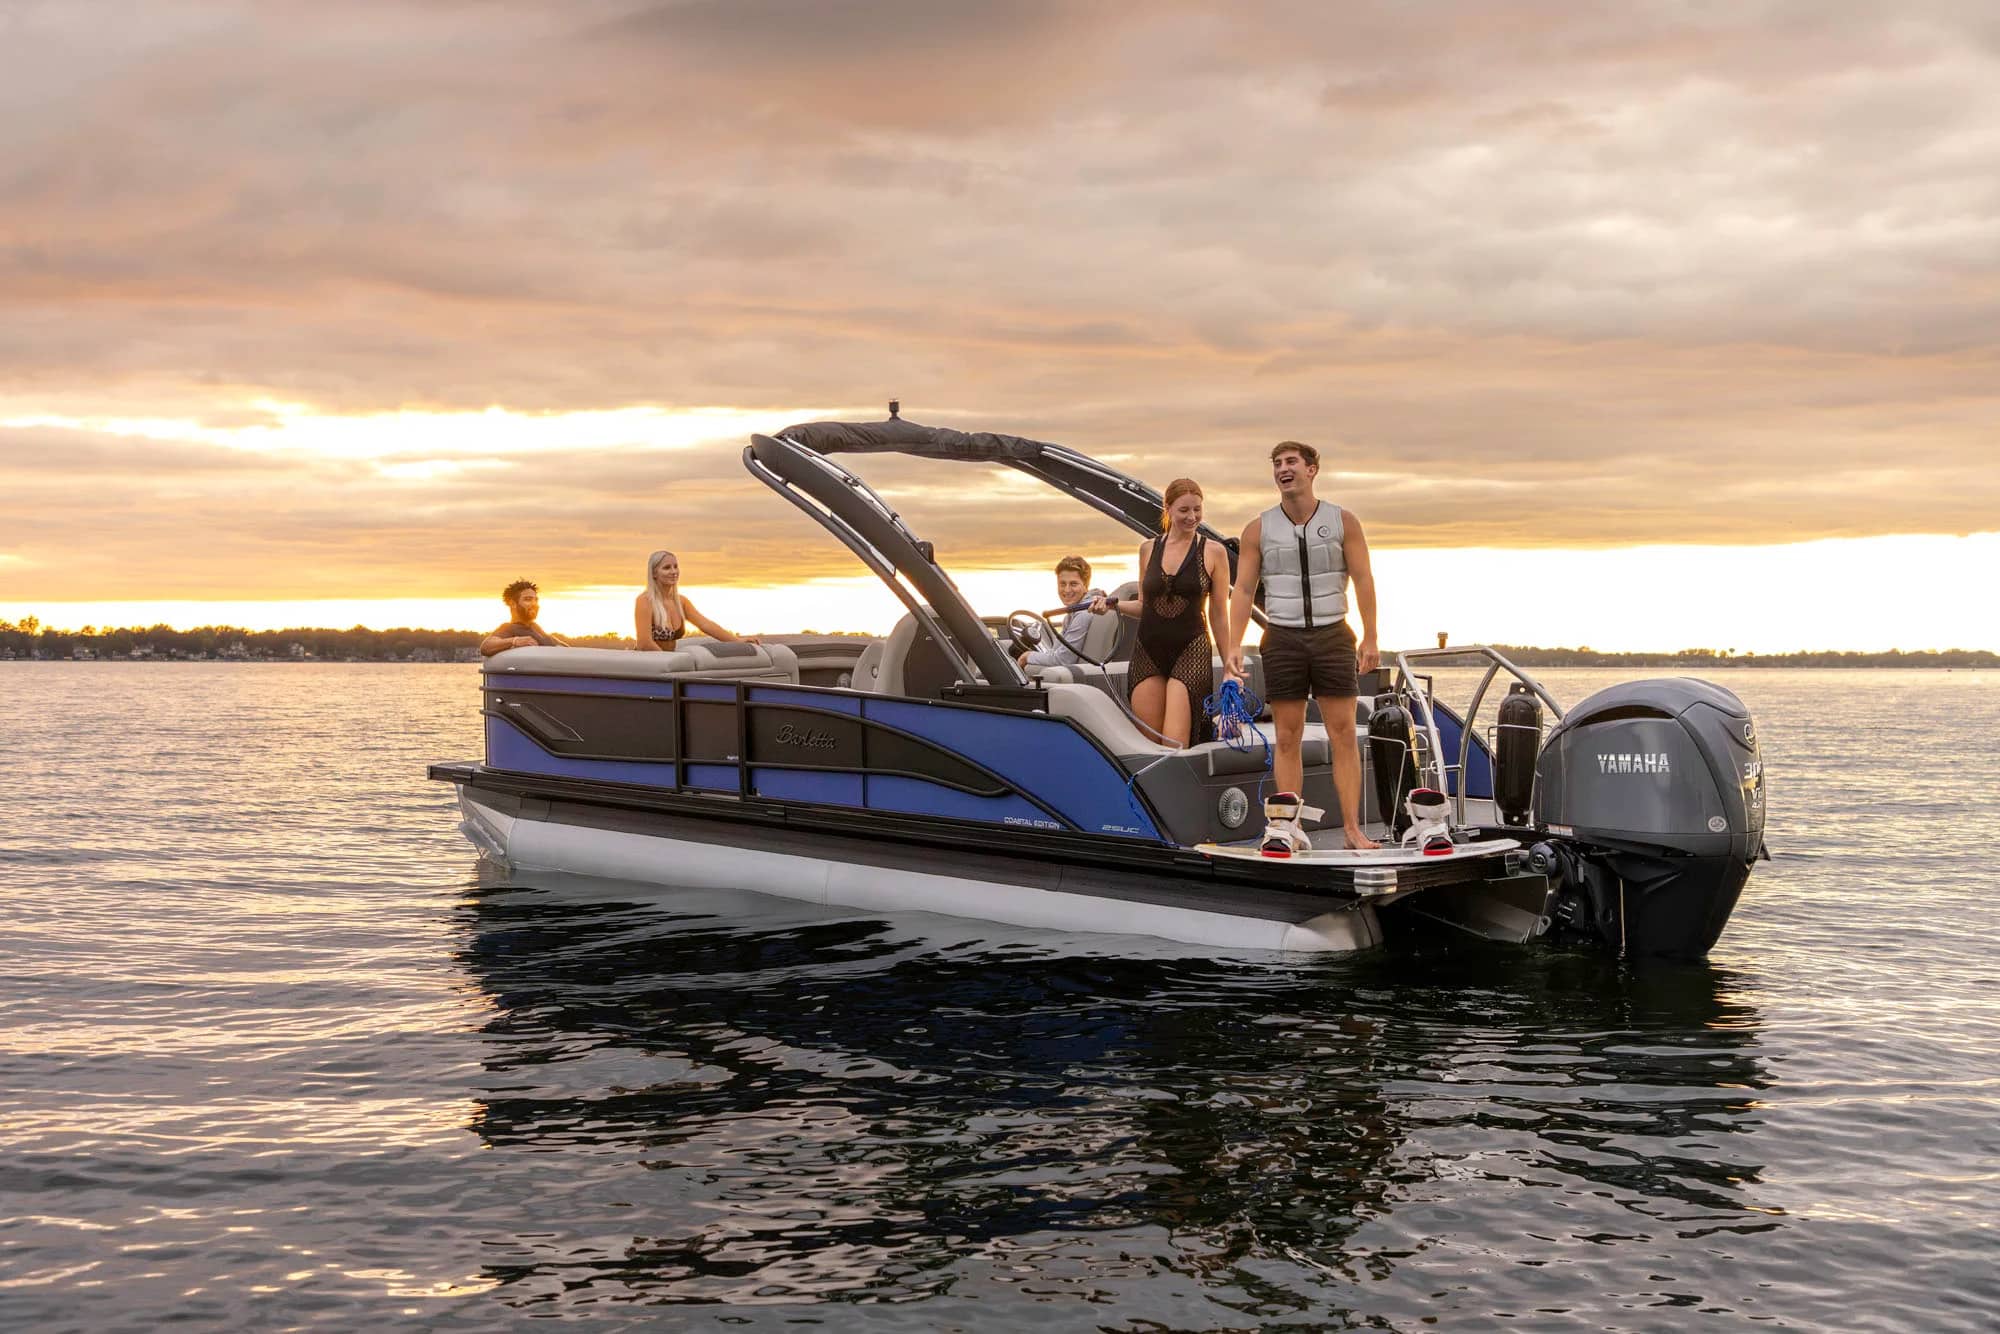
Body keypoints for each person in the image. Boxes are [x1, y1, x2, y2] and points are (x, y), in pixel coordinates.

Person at [1224, 441, 1381, 853]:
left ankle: (1352, 829)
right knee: (1287, 735)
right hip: (1283, 637)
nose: (1283, 469)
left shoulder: (1343, 520)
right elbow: (1243, 590)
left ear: (1312, 469)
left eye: (1291, 462)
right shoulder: (1257, 529)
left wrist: (1371, 636)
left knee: (1343, 734)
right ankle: (1288, 827)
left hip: (1333, 635)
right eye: (1277, 463)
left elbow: (1363, 579)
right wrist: (1233, 644)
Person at [1090, 479, 1231, 748]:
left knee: (1174, 745)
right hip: (1148, 650)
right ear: (1167, 509)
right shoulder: (1148, 549)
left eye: (1197, 510)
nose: (1192, 517)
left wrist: (1230, 666)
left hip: (1190, 651)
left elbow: (1219, 616)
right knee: (1148, 746)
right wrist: (1112, 605)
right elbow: (1145, 606)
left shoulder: (1214, 552)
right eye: (1184, 510)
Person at [634, 549, 761, 650]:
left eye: (675, 566)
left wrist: (737, 641)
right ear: (654, 573)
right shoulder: (645, 601)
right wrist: (670, 662)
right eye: (667, 568)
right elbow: (644, 643)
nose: (673, 571)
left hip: (670, 666)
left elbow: (706, 625)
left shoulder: (681, 602)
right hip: (651, 666)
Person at [1017, 555, 1106, 671]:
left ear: (1085, 586)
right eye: (1062, 584)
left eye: (1073, 584)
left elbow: (1063, 660)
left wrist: (1026, 656)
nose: (1067, 590)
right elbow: (1055, 653)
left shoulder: (1084, 613)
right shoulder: (1071, 615)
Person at [480, 579, 570, 657]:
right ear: (513, 604)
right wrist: (515, 641)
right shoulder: (509, 628)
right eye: (528, 599)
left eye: (536, 600)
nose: (534, 604)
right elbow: (486, 646)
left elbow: (563, 647)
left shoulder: (536, 627)